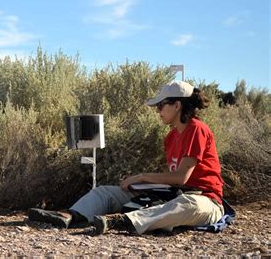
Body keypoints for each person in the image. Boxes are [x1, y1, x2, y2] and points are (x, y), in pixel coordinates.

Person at [28, 81, 225, 235]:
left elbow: (181, 177)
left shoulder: (197, 130)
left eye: (161, 105)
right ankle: (70, 216)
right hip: (176, 193)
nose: (157, 111)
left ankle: (121, 221)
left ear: (177, 105)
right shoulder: (171, 137)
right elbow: (176, 181)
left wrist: (141, 177)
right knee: (105, 192)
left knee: (187, 205)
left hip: (206, 200)